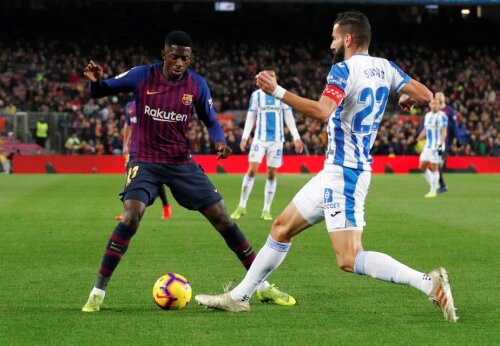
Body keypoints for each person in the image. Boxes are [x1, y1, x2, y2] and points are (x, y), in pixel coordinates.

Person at [195, 12, 458, 323]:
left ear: (347, 39)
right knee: (281, 229)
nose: (331, 42)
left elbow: (322, 111)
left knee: (349, 258)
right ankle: (240, 297)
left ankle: (427, 282)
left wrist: (277, 92)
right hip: (336, 171)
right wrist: (405, 98)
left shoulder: (342, 70)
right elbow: (426, 95)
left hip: (345, 173)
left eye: (334, 37)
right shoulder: (386, 67)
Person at [81, 31, 295, 313]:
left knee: (222, 217)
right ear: (164, 55)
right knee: (132, 214)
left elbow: (211, 120)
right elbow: (103, 89)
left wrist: (219, 140)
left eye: (185, 57)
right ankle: (98, 292)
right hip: (144, 160)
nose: (179, 62)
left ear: (190, 58)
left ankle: (263, 287)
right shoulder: (142, 75)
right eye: (174, 56)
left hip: (180, 162)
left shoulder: (197, 85)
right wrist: (96, 81)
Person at [231, 70, 304, 221]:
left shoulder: (282, 94)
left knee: (271, 173)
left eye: (273, 78)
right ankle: (241, 206)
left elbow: (289, 117)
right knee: (252, 170)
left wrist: (296, 137)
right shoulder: (256, 95)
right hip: (259, 139)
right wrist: (245, 137)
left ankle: (266, 210)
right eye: (268, 78)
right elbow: (251, 116)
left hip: (277, 140)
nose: (270, 80)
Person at [114, 101, 172, 221]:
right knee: (129, 180)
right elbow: (128, 125)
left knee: (157, 179)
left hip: (149, 149)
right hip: (133, 149)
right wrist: (125, 144)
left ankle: (166, 206)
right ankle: (127, 211)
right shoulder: (129, 106)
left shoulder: (152, 104)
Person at [417, 98, 448, 198]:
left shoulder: (442, 116)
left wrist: (441, 144)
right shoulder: (428, 116)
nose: (433, 105)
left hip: (437, 145)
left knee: (434, 167)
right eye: (432, 103)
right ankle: (434, 183)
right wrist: (419, 137)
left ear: (439, 105)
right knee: (422, 167)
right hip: (428, 145)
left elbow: (444, 132)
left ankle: (433, 190)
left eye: (436, 103)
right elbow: (426, 129)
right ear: (430, 105)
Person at [434, 92, 461, 194]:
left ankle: (442, 185)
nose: (439, 97)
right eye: (437, 95)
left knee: (438, 163)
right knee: (433, 163)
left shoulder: (449, 110)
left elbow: (455, 125)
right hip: (433, 141)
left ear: (444, 98)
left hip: (444, 141)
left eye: (441, 95)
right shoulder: (434, 110)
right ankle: (440, 183)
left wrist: (458, 139)